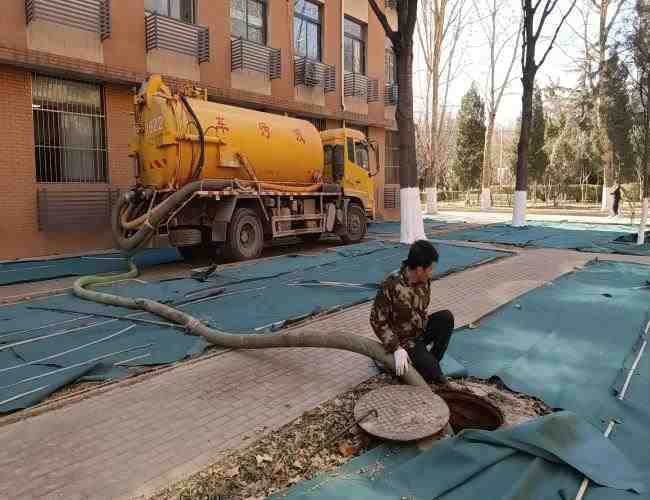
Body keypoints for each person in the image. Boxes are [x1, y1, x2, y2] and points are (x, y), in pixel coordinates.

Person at [370, 240, 454, 385]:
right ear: (420, 269)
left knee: (446, 317)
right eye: (431, 269)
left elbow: (422, 309)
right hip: (404, 342)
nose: (432, 273)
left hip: (419, 332)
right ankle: (427, 367)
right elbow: (377, 321)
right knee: (436, 376)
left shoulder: (424, 280)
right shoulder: (391, 284)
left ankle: (429, 363)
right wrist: (395, 348)